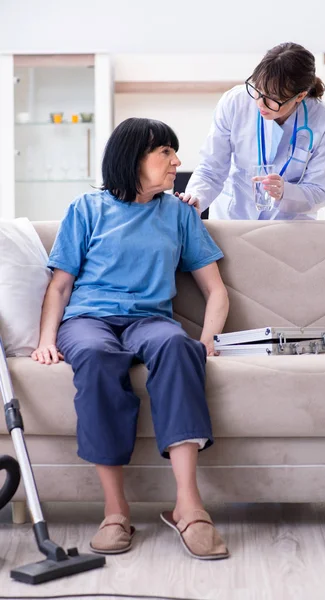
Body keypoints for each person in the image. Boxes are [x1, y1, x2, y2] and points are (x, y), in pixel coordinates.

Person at [31, 118, 230, 560]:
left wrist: (210, 337)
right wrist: (46, 338)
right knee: (99, 357)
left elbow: (215, 290)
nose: (177, 163)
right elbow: (60, 285)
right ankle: (115, 510)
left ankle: (188, 506)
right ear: (133, 158)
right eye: (166, 153)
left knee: (181, 347)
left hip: (150, 320)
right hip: (89, 320)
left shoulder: (179, 213)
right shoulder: (86, 208)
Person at [177, 42, 325, 220]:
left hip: (288, 226)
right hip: (233, 216)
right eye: (258, 90)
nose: (261, 103)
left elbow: (321, 190)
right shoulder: (235, 102)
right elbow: (211, 168)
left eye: (273, 99)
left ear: (299, 96)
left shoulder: (324, 121)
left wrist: (286, 191)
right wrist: (196, 197)